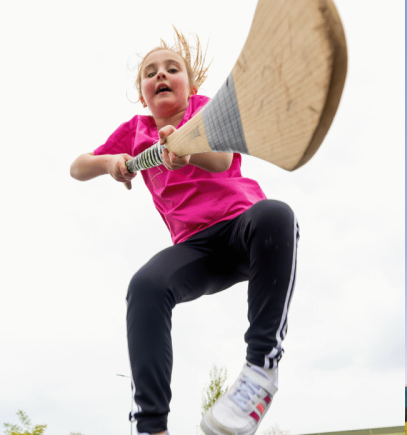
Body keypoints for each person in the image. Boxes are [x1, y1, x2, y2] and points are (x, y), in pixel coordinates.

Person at [69, 29, 298, 434]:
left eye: (172, 69)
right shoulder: (136, 131)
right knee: (146, 286)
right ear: (142, 95)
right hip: (196, 250)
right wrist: (110, 163)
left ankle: (260, 371)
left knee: (276, 214)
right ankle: (151, 425)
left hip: (243, 230)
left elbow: (222, 158)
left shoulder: (203, 111)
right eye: (150, 72)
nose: (161, 75)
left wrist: (188, 149)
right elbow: (78, 167)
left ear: (190, 86)